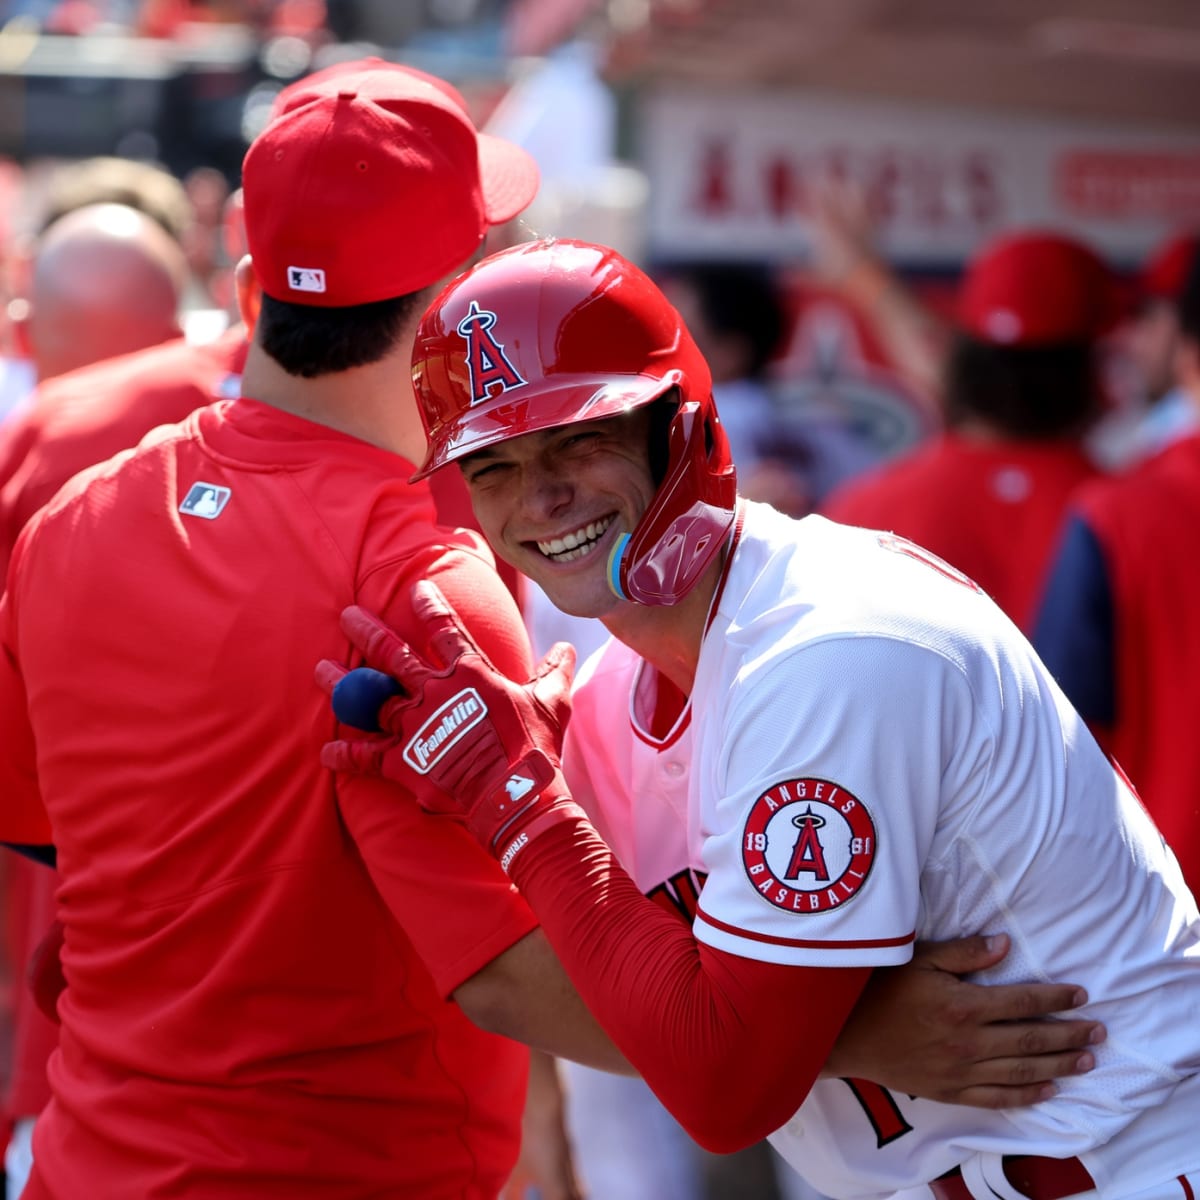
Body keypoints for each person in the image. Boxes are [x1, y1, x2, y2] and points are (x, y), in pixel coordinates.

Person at [322, 236, 1200, 1200]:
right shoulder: (612, 698)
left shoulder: (830, 649)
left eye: (579, 438)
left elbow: (726, 1088)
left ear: (683, 428)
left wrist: (521, 804)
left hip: (1133, 1166)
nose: (541, 496)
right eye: (493, 465)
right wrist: (844, 1037)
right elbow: (567, 984)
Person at [0, 62, 628, 1199]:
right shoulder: (427, 587)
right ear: (459, 306)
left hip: (90, 1164)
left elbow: (41, 821)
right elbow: (509, 974)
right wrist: (847, 1040)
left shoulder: (76, 518)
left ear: (251, 292)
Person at [820, 229, 1116, 634]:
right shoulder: (1128, 516)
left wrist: (863, 275)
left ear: (963, 361)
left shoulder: (859, 512)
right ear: (1094, 367)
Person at [1032, 247, 1200, 900]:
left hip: (1165, 917)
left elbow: (1055, 753)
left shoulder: (1120, 510)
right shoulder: (1117, 500)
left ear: (1186, 344)